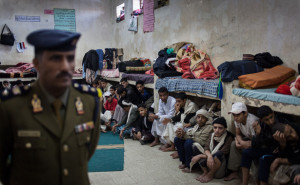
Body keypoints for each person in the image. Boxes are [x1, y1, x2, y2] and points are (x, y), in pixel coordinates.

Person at [0, 29, 101, 185]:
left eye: (70, 58)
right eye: (55, 59)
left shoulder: (90, 101)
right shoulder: (12, 106)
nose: (65, 66)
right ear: (37, 64)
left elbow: (87, 152)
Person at [239, 105, 283, 185]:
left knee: (263, 159)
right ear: (261, 119)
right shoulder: (261, 125)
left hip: (278, 151)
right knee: (246, 153)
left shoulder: (280, 122)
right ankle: (244, 183)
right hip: (268, 149)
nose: (270, 121)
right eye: (266, 120)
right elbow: (255, 145)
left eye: (271, 117)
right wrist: (258, 134)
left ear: (273, 113)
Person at [225, 102, 259, 183]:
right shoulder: (237, 121)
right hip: (248, 139)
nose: (235, 118)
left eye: (238, 115)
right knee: (234, 144)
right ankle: (235, 172)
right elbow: (238, 134)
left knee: (248, 150)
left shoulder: (252, 121)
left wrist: (242, 144)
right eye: (234, 115)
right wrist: (240, 142)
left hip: (257, 141)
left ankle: (253, 176)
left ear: (245, 113)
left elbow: (256, 141)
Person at [194, 117, 234, 183]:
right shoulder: (212, 135)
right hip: (211, 158)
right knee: (195, 146)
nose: (217, 130)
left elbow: (222, 152)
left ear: (225, 129)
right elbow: (206, 148)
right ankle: (205, 172)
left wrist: (201, 156)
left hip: (221, 162)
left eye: (220, 128)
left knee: (218, 154)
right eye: (215, 127)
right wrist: (209, 156)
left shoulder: (229, 137)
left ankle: (210, 174)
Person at [174, 109, 213, 173]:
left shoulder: (209, 127)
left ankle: (190, 166)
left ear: (206, 119)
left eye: (203, 117)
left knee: (188, 142)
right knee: (177, 139)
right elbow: (190, 134)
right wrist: (181, 134)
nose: (200, 119)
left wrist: (186, 136)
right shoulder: (197, 126)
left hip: (203, 148)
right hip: (194, 143)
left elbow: (202, 142)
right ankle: (184, 162)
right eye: (198, 117)